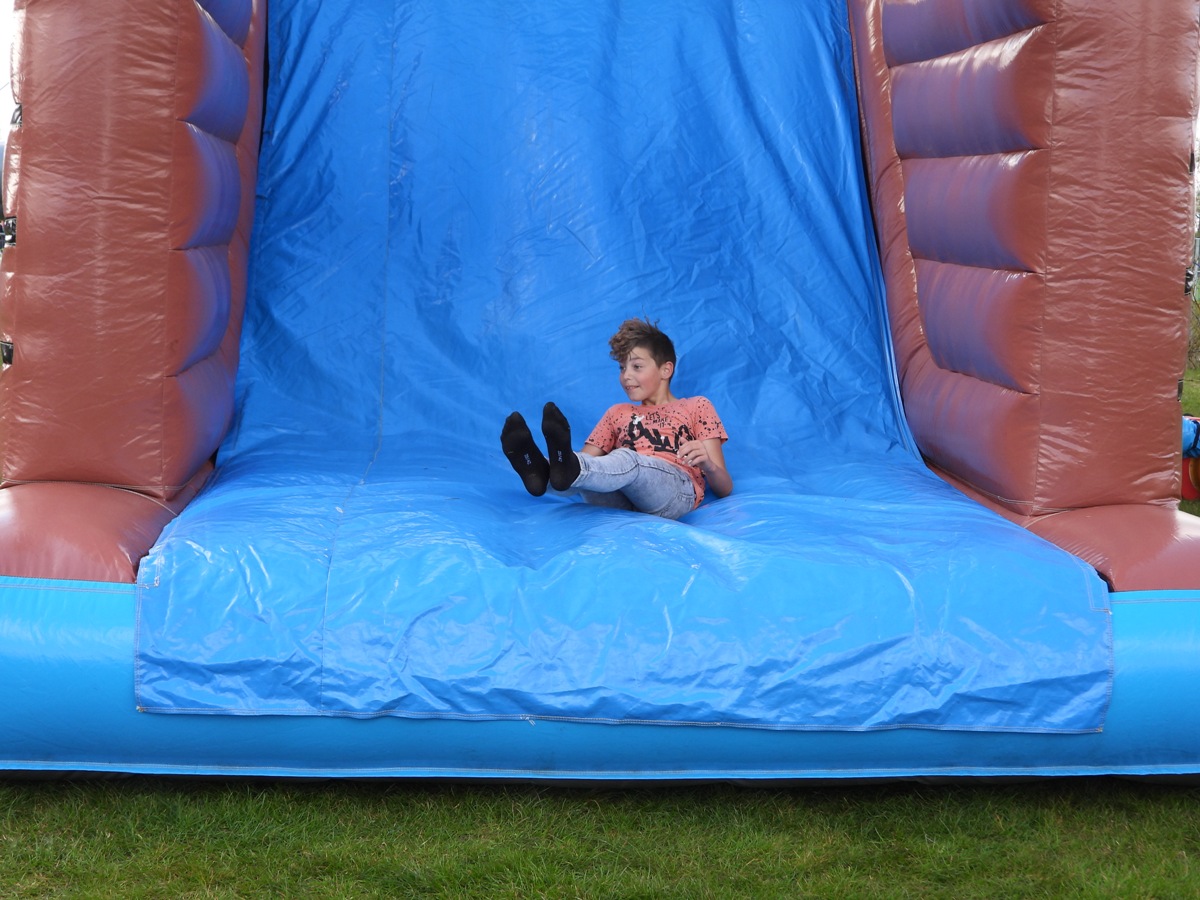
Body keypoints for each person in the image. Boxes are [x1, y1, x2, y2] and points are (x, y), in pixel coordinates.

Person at [501, 318, 733, 520]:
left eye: (636, 366)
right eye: (622, 368)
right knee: (580, 472)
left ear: (666, 370)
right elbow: (583, 462)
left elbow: (725, 488)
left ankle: (548, 472)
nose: (626, 376)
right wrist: (560, 463)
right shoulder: (617, 413)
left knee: (627, 460)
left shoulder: (696, 406)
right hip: (622, 503)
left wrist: (708, 465)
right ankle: (538, 471)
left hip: (674, 494)